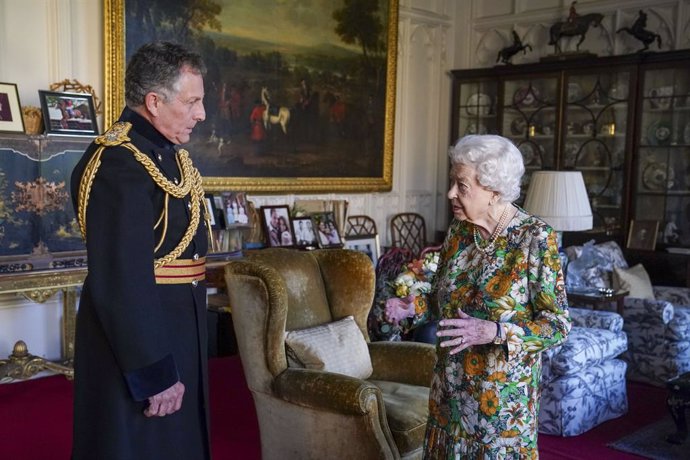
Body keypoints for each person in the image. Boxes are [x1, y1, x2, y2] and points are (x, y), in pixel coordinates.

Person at [69, 41, 211, 460]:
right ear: (154, 101)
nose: (201, 114)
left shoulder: (167, 155)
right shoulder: (118, 163)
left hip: (176, 330)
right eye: (193, 102)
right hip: (137, 346)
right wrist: (154, 372)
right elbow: (120, 279)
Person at [421, 135, 571, 458]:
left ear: (493, 192)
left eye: (461, 185)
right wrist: (411, 305)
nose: (450, 193)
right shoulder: (459, 232)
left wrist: (496, 332)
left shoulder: (534, 239)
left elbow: (558, 325)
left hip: (500, 412)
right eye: (453, 182)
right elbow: (439, 298)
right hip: (449, 400)